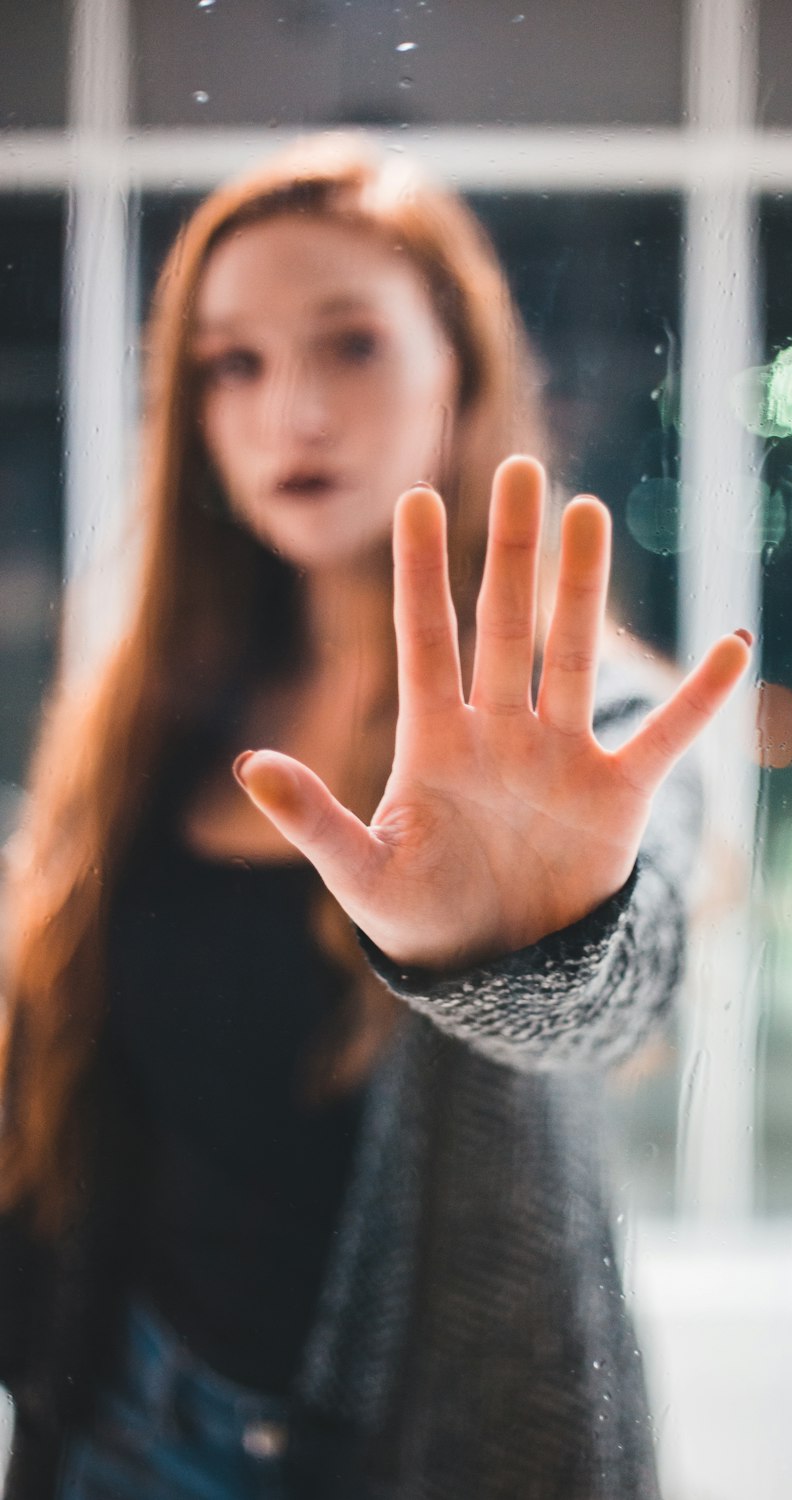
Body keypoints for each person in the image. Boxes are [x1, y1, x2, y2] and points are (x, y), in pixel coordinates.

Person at [0, 133, 750, 1500]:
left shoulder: (578, 736)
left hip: (425, 1455)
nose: (291, 409)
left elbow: (622, 989)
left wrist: (531, 942)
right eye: (233, 363)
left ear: (457, 376)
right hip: (120, 1422)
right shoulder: (143, 713)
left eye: (350, 345)